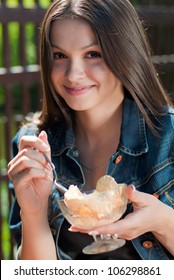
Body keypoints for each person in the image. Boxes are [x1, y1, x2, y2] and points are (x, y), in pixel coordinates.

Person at [7, 0, 174, 260]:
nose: (73, 74)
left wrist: (162, 222)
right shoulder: (33, 146)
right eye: (60, 55)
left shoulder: (169, 137)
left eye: (93, 54)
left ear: (126, 53)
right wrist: (33, 213)